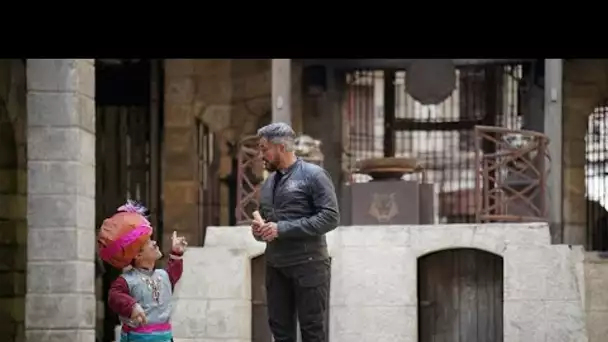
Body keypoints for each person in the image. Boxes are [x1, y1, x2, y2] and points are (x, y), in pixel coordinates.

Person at [252, 122, 340, 342]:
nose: (261, 154)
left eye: (264, 149)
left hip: (309, 265)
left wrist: (281, 229)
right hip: (275, 266)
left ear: (281, 147)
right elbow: (268, 225)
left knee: (312, 331)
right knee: (280, 332)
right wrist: (259, 230)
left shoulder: (314, 175)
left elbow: (330, 217)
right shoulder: (268, 184)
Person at [97, 200, 188, 342]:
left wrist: (176, 253)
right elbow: (114, 297)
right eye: (148, 242)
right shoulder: (127, 280)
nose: (155, 243)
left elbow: (174, 272)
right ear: (137, 255)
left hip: (165, 337)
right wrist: (131, 306)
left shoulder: (164, 276)